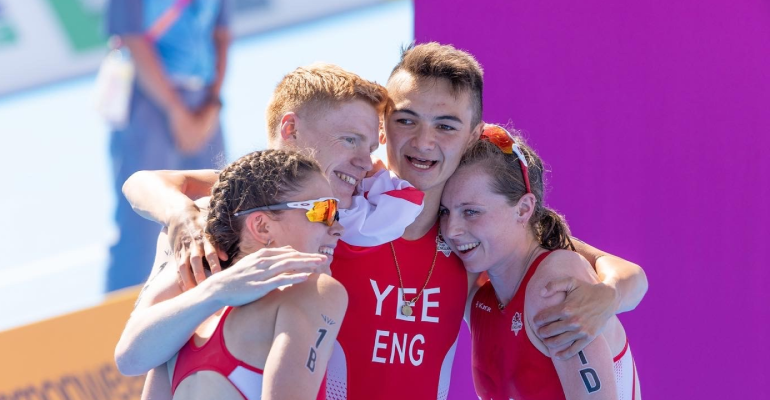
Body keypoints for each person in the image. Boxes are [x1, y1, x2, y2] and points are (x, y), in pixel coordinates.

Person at [116, 43, 648, 399]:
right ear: (384, 127)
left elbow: (610, 267)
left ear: (472, 134)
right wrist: (180, 214)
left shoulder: (462, 228)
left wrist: (613, 293)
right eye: (405, 121)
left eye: (445, 126)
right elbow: (155, 182)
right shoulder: (326, 202)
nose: (423, 141)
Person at [441, 124, 640, 399]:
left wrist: (614, 293)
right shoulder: (479, 296)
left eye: (471, 212)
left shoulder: (554, 284)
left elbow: (633, 276)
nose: (451, 230)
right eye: (444, 211)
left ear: (523, 209)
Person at [139, 149, 347, 400]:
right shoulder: (314, 290)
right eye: (323, 211)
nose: (338, 227)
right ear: (262, 226)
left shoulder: (180, 326)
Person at [105, 0, 231, 291]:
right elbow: (133, 39)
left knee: (218, 204)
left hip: (202, 105)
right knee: (142, 219)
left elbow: (221, 35)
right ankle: (123, 312)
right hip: (148, 104)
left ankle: (215, 293)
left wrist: (212, 104)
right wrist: (177, 111)